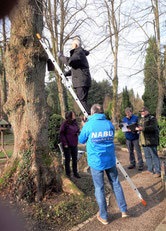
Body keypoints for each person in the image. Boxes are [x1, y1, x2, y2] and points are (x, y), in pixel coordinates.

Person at [79, 104, 128, 225]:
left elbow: (81, 140)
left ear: (92, 113)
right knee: (116, 183)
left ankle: (104, 216)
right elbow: (111, 136)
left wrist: (83, 127)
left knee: (99, 188)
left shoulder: (89, 125)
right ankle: (124, 210)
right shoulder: (108, 123)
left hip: (97, 162)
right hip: (110, 159)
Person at [58, 37, 91, 114]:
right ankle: (89, 116)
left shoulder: (78, 52)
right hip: (83, 80)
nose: (71, 46)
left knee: (81, 101)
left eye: (71, 45)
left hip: (81, 81)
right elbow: (75, 68)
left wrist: (60, 56)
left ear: (75, 45)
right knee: (82, 101)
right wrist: (66, 74)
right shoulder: (80, 53)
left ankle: (89, 117)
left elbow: (70, 62)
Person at [136, 107, 161, 178]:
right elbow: (140, 129)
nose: (141, 113)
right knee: (147, 156)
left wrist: (142, 128)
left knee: (154, 156)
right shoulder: (141, 119)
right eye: (140, 112)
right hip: (144, 141)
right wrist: (135, 129)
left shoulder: (152, 118)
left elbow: (153, 128)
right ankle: (150, 169)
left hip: (151, 141)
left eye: (142, 111)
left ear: (147, 111)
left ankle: (158, 171)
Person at [59, 111, 81, 178]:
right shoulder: (64, 123)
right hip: (67, 144)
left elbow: (77, 130)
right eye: (73, 114)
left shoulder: (75, 123)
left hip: (74, 143)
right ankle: (68, 173)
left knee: (75, 159)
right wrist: (65, 143)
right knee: (67, 159)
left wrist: (79, 132)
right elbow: (61, 133)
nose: (74, 115)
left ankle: (75, 172)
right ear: (70, 116)